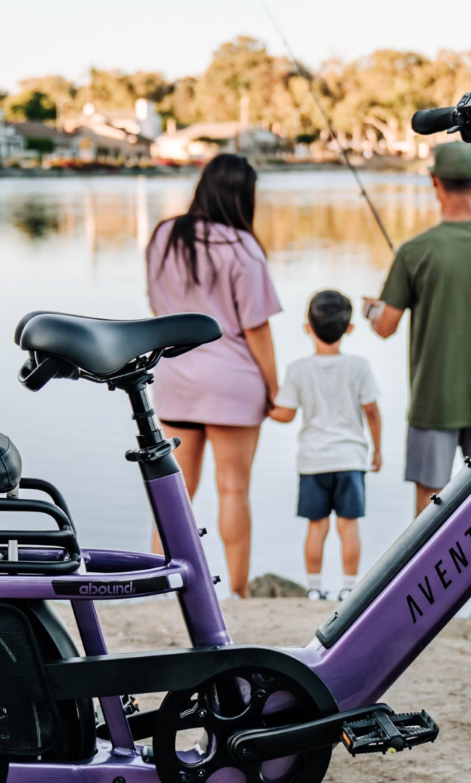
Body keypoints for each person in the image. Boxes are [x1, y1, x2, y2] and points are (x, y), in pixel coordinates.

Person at [362, 142, 471, 619]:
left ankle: (429, 605)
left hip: (434, 400)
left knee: (430, 502)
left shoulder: (415, 251)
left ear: (434, 183)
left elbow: (385, 325)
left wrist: (371, 309)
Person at [146, 153, 281, 598]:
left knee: (174, 495)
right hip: (234, 383)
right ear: (244, 196)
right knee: (233, 489)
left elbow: (157, 308)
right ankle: (238, 594)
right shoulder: (243, 247)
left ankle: (160, 585)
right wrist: (275, 389)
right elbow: (256, 328)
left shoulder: (165, 235)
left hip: (176, 378)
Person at [268, 291, 382, 600]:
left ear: (308, 327)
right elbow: (371, 411)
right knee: (349, 526)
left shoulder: (297, 369)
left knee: (316, 527)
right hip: (350, 459)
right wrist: (377, 449)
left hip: (313, 461)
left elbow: (286, 414)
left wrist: (265, 407)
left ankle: (315, 588)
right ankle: (348, 586)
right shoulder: (359, 366)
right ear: (350, 329)